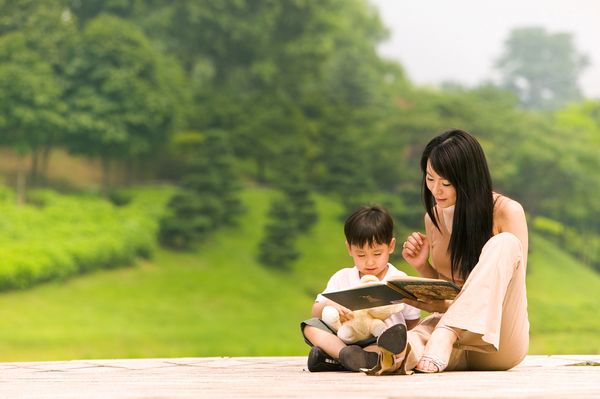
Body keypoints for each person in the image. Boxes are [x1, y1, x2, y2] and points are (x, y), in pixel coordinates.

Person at [366, 128, 529, 375]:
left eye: (446, 183)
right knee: (418, 337)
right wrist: (423, 266)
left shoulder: (508, 212)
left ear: (469, 180)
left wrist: (449, 326)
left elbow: (504, 291)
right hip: (448, 348)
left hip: (498, 339)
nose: (435, 190)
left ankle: (447, 331)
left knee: (504, 243)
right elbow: (448, 290)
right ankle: (394, 355)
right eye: (430, 179)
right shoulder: (433, 220)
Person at [301, 205, 421, 372]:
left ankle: (333, 359)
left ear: (391, 246)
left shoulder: (399, 280)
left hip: (379, 340)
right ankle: (344, 355)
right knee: (310, 326)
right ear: (349, 248)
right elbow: (315, 312)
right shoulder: (342, 277)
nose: (370, 262)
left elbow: (413, 322)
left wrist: (410, 347)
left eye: (377, 254)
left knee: (392, 344)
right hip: (345, 338)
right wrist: (332, 305)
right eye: (361, 255)